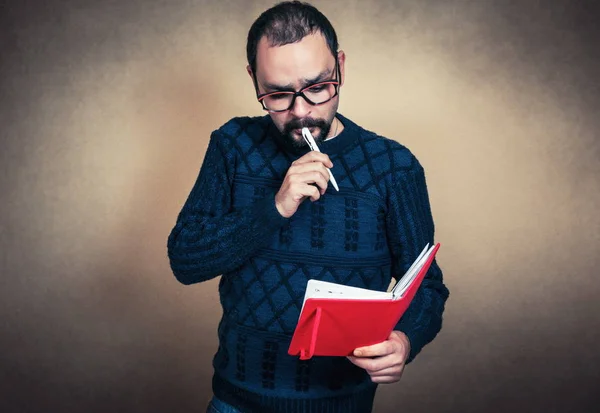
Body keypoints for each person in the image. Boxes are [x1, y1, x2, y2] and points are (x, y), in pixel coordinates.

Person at [167, 2, 449, 412]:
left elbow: (426, 286)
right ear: (254, 80)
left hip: (343, 403)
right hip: (237, 402)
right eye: (279, 94)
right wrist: (275, 207)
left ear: (341, 68)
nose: (301, 112)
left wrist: (405, 339)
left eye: (317, 87)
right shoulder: (232, 145)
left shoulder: (395, 167)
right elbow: (186, 260)